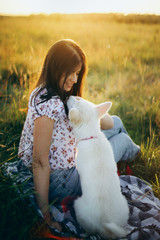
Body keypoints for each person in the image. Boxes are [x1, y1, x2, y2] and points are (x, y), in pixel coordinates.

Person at [18, 39, 140, 232]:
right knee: (122, 139)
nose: (75, 80)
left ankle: (131, 154)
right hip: (61, 179)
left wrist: (87, 106)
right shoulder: (51, 104)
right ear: (56, 68)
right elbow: (39, 162)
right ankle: (134, 153)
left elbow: (106, 122)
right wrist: (46, 215)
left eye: (77, 74)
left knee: (115, 121)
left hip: (71, 157)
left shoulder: (45, 92)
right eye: (71, 73)